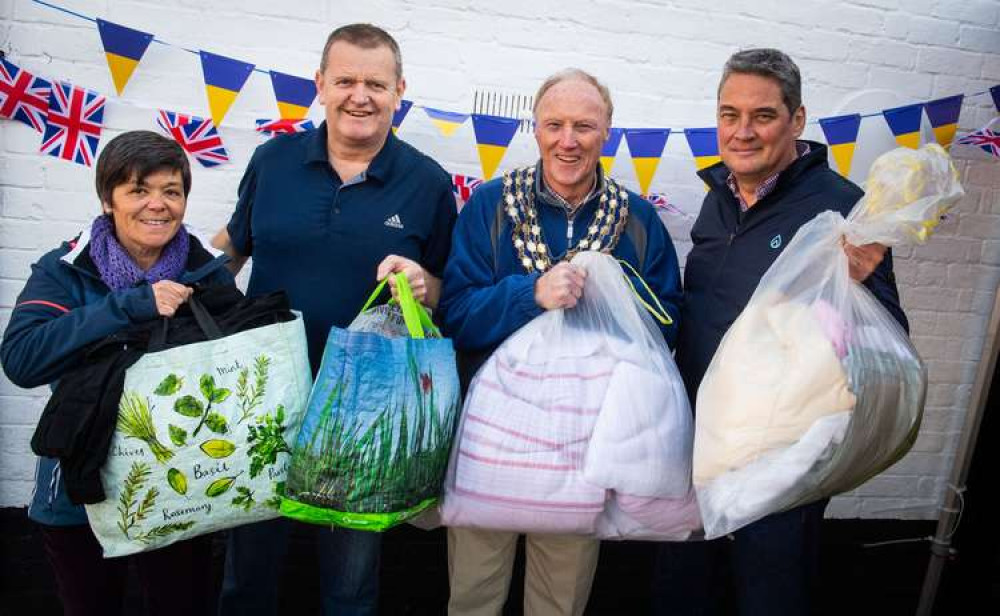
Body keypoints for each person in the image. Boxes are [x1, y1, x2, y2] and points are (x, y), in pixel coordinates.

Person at [651, 48, 909, 616]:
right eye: (728, 114)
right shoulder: (717, 199)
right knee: (683, 588)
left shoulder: (842, 208)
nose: (742, 131)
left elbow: (885, 340)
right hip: (699, 442)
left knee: (770, 594)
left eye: (762, 115)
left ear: (796, 120)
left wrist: (861, 286)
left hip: (782, 457)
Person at [211, 23, 456, 616]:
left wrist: (426, 287)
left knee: (350, 587)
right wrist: (167, 272)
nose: (360, 96)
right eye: (345, 80)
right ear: (320, 85)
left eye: (376, 83)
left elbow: (452, 291)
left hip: (366, 414)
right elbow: (232, 247)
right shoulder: (273, 161)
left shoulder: (428, 183)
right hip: (263, 400)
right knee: (247, 575)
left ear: (401, 91)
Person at [440, 68, 683, 616]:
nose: (567, 140)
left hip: (586, 443)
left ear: (608, 132)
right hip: (492, 438)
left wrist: (609, 294)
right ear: (535, 127)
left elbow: (667, 325)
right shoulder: (492, 206)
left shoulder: (638, 221)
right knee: (474, 591)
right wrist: (533, 293)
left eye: (584, 126)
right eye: (554, 125)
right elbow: (457, 314)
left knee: (560, 597)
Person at [0, 130, 235, 616]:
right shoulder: (66, 268)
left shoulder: (207, 272)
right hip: (76, 492)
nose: (157, 205)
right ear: (108, 199)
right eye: (138, 190)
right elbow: (22, 360)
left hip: (182, 491)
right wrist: (131, 306)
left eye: (171, 191)